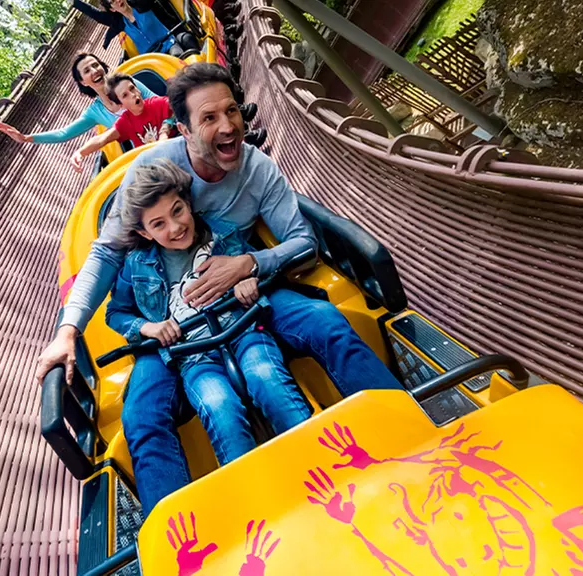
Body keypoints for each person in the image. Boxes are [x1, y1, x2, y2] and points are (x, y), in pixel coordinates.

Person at [35, 63, 402, 516]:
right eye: (209, 118)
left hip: (243, 295)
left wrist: (250, 261)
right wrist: (70, 330)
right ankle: (182, 540)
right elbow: (107, 255)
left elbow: (301, 241)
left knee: (327, 322)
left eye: (232, 111)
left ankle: (400, 433)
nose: (228, 126)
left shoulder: (257, 169)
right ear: (183, 130)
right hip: (173, 325)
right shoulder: (151, 172)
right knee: (142, 417)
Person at [106, 159, 312, 465]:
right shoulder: (136, 265)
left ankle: (317, 453)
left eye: (177, 211)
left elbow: (251, 264)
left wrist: (249, 280)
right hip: (193, 353)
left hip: (242, 328)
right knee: (219, 406)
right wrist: (149, 327)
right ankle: (250, 486)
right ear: (145, 232)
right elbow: (116, 313)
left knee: (267, 377)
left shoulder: (223, 233)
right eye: (158, 224)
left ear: (188, 203)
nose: (175, 227)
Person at [0, 53, 155, 146]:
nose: (94, 71)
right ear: (83, 81)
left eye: (95, 65)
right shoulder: (95, 112)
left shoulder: (128, 84)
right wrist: (27, 138)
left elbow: (159, 102)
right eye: (87, 70)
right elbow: (63, 133)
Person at [69, 73, 176, 173]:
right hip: (153, 167)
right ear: (121, 105)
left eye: (132, 88)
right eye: (125, 95)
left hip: (175, 154)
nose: (133, 95)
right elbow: (102, 138)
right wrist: (80, 152)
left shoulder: (156, 103)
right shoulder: (126, 122)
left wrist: (166, 128)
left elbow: (178, 104)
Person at [72, 0, 194, 57]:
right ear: (112, 9)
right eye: (113, 1)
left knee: (177, 56)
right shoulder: (120, 23)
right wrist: (74, 2)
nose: (118, 0)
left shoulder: (141, 5)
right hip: (151, 58)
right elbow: (95, 14)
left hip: (168, 43)